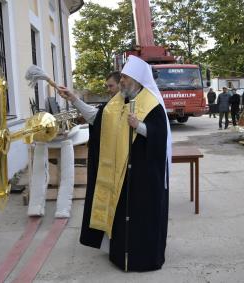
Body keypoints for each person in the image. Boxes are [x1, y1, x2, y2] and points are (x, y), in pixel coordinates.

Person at [58, 55, 171, 272]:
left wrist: (139, 126)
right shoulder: (117, 102)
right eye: (122, 79)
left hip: (143, 175)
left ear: (137, 80)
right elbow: (96, 118)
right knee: (120, 217)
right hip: (118, 175)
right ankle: (119, 255)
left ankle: (143, 259)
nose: (121, 83)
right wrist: (74, 99)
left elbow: (160, 136)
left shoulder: (152, 104)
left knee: (141, 218)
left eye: (125, 79)